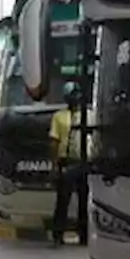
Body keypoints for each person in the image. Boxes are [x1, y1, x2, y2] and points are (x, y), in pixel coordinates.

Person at [49, 84, 83, 245]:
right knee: (63, 200)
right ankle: (58, 234)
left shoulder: (87, 115)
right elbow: (54, 142)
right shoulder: (59, 117)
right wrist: (55, 165)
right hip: (66, 161)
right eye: (71, 95)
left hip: (83, 161)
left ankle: (84, 233)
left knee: (84, 200)